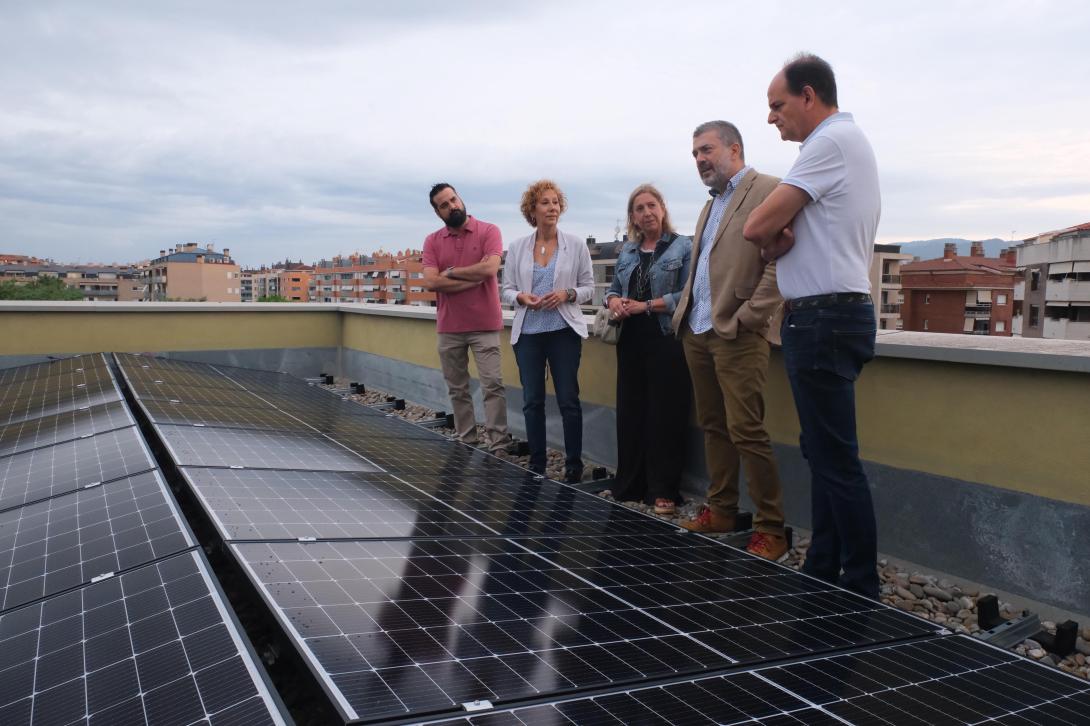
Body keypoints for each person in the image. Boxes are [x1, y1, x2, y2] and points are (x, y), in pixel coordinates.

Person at [743, 53, 882, 598]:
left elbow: (757, 224)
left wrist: (772, 235)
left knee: (836, 459)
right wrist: (777, 237)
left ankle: (860, 586)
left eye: (778, 105)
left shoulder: (827, 144)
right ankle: (825, 566)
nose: (772, 117)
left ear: (809, 96)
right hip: (831, 314)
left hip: (824, 317)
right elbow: (777, 233)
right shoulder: (840, 147)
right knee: (824, 452)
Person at [672, 120, 788, 562]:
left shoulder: (769, 190)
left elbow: (781, 261)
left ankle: (770, 528)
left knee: (747, 430)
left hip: (737, 334)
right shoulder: (710, 205)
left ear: (734, 148)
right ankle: (721, 509)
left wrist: (749, 317)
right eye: (695, 154)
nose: (700, 160)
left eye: (707, 150)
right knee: (714, 426)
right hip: (698, 330)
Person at [604, 184, 692, 514]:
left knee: (666, 414)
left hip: (665, 338)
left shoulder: (683, 246)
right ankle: (630, 483)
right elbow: (611, 290)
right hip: (630, 338)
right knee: (631, 411)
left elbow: (687, 294)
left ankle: (662, 489)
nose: (647, 212)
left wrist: (645, 306)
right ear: (633, 218)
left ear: (663, 209)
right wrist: (614, 302)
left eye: (651, 205)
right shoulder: (627, 251)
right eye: (639, 208)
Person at [500, 180, 594, 482]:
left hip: (563, 330)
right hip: (529, 333)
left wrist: (567, 294)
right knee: (532, 400)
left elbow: (589, 288)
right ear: (533, 209)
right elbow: (507, 290)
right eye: (545, 202)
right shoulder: (517, 248)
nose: (552, 207)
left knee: (568, 399)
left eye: (556, 202)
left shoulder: (576, 245)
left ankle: (573, 465)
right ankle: (537, 463)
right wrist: (520, 298)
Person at [422, 183, 512, 454]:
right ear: (438, 212)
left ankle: (498, 444)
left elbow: (490, 268)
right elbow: (431, 281)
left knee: (492, 385)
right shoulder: (432, 241)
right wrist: (467, 279)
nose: (452, 206)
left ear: (461, 198)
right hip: (449, 326)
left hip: (484, 323)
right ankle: (467, 440)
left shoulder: (489, 231)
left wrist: (450, 273)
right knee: (457, 388)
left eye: (453, 200)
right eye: (444, 205)